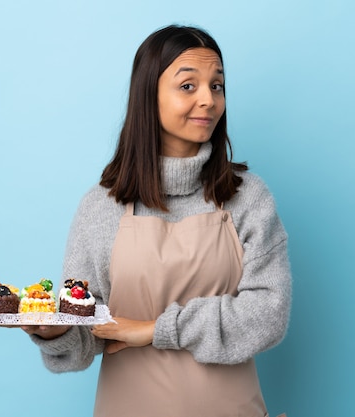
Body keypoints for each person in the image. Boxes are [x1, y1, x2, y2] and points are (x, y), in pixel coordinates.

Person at [21, 24, 291, 417]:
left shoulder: (247, 197)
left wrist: (153, 330)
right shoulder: (101, 207)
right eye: (188, 86)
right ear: (148, 96)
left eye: (217, 86)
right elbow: (85, 335)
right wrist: (56, 331)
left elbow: (269, 313)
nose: (209, 100)